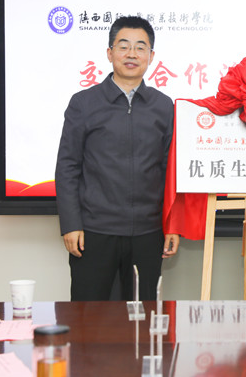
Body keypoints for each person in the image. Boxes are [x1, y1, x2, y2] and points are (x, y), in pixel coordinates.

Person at [55, 16, 178, 301]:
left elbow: (170, 172)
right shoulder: (83, 103)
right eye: (123, 46)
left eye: (140, 47)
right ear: (110, 53)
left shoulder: (163, 106)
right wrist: (71, 224)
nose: (132, 54)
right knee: (88, 318)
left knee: (142, 316)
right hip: (94, 232)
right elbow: (67, 167)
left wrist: (173, 226)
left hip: (148, 233)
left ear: (151, 56)